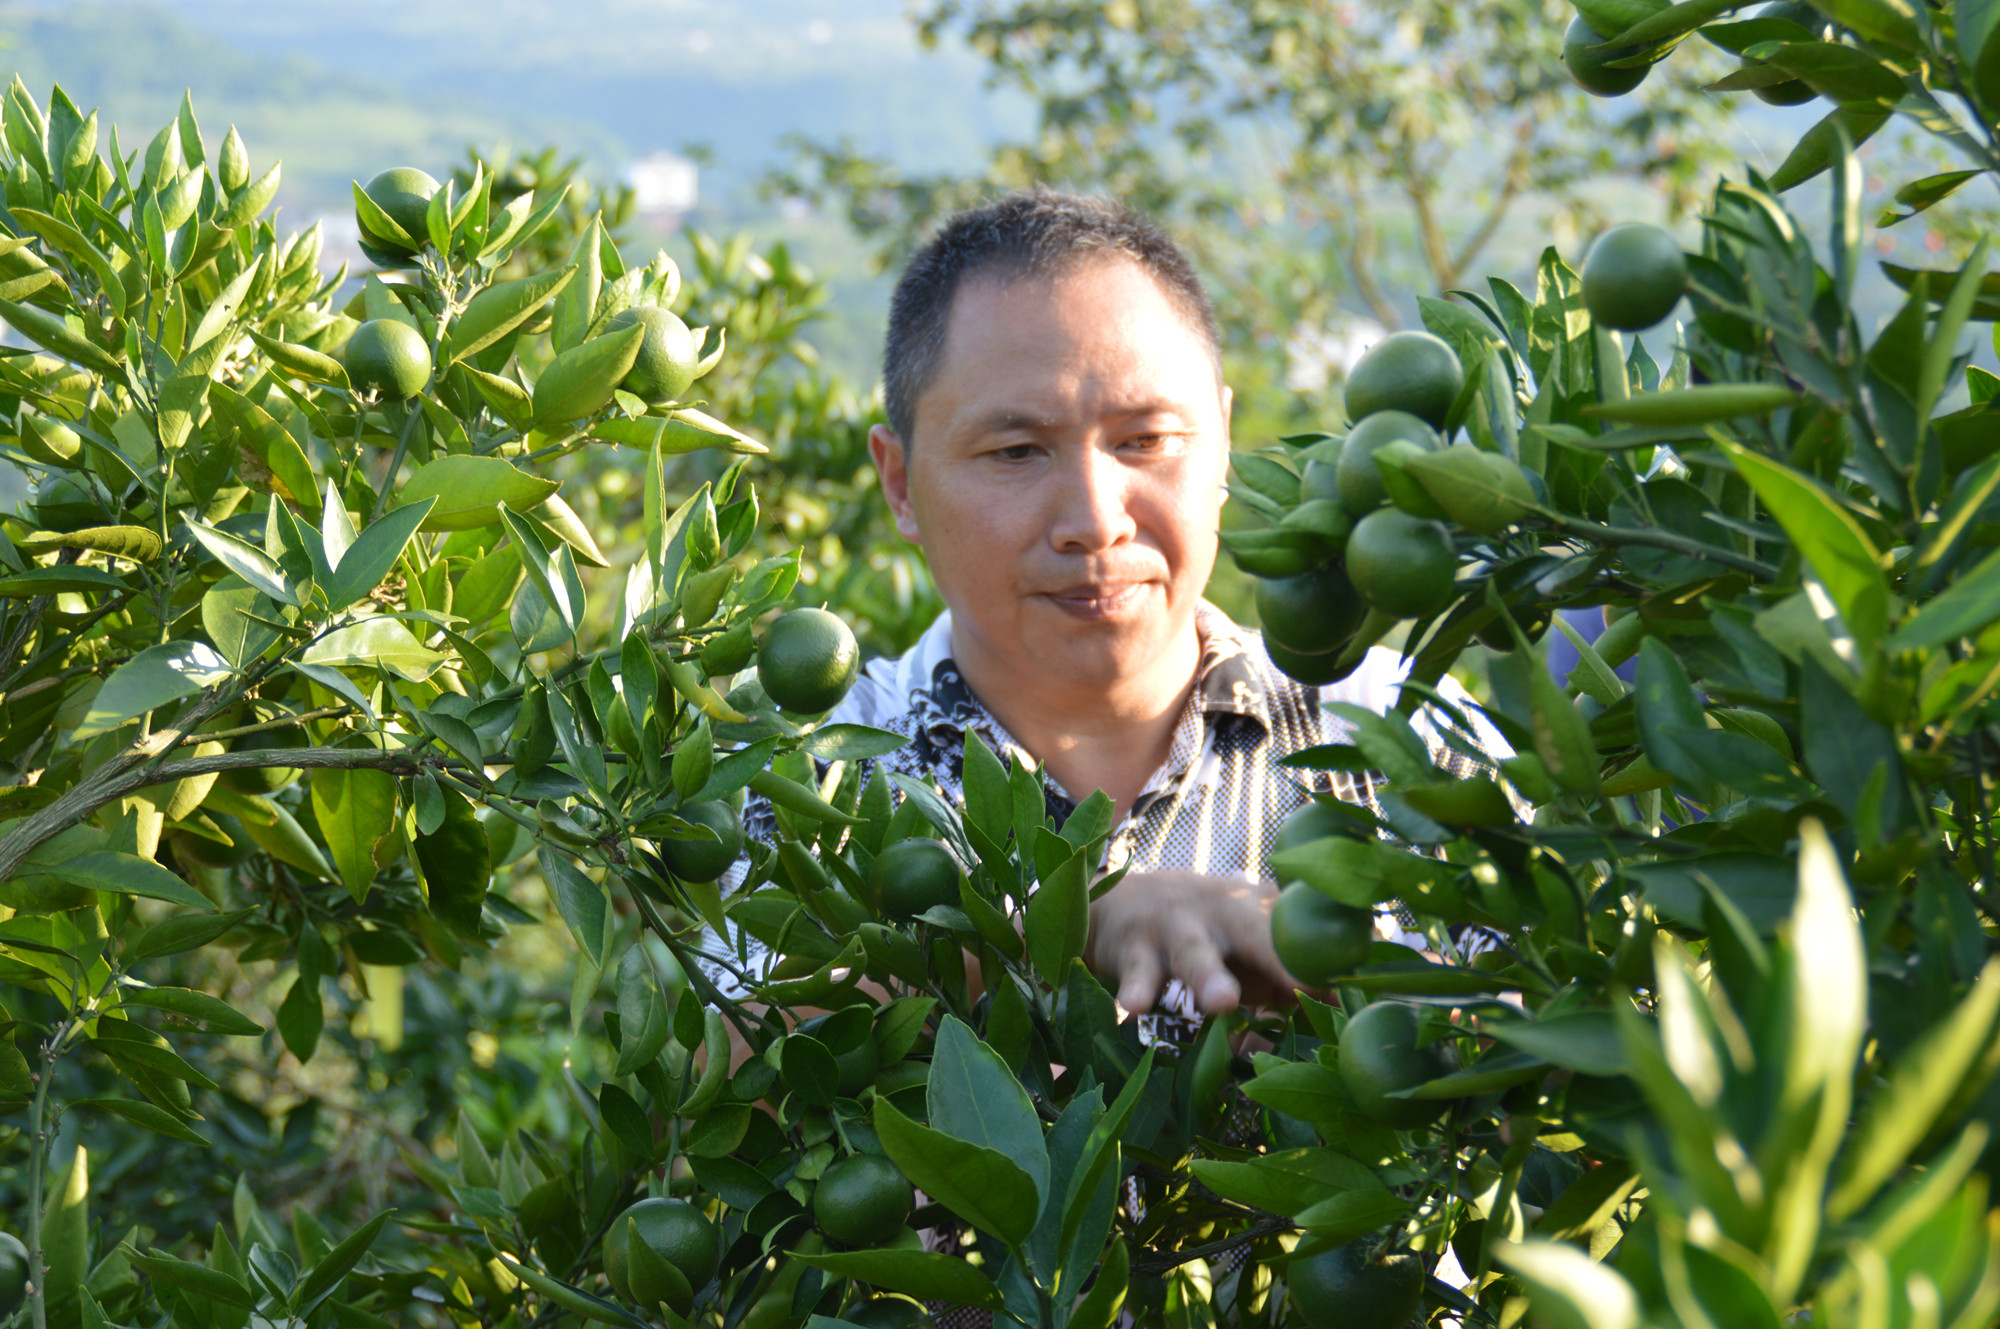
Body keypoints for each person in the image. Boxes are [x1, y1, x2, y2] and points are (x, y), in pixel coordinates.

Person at [723, 188, 1504, 1027]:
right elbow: (731, 1089)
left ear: (1224, 445)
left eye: (1145, 441)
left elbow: (1594, 1061)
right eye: (1017, 451)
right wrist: (1055, 929)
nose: (1096, 519)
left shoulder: (1394, 736)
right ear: (901, 483)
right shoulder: (829, 775)